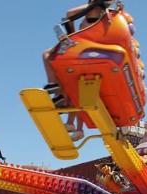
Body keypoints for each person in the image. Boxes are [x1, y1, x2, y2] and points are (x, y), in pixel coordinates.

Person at [42, 0, 114, 141]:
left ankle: (55, 88)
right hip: (83, 51)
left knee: (48, 56)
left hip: (84, 53)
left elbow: (69, 13)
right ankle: (72, 123)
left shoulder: (96, 8)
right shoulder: (103, 13)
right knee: (76, 90)